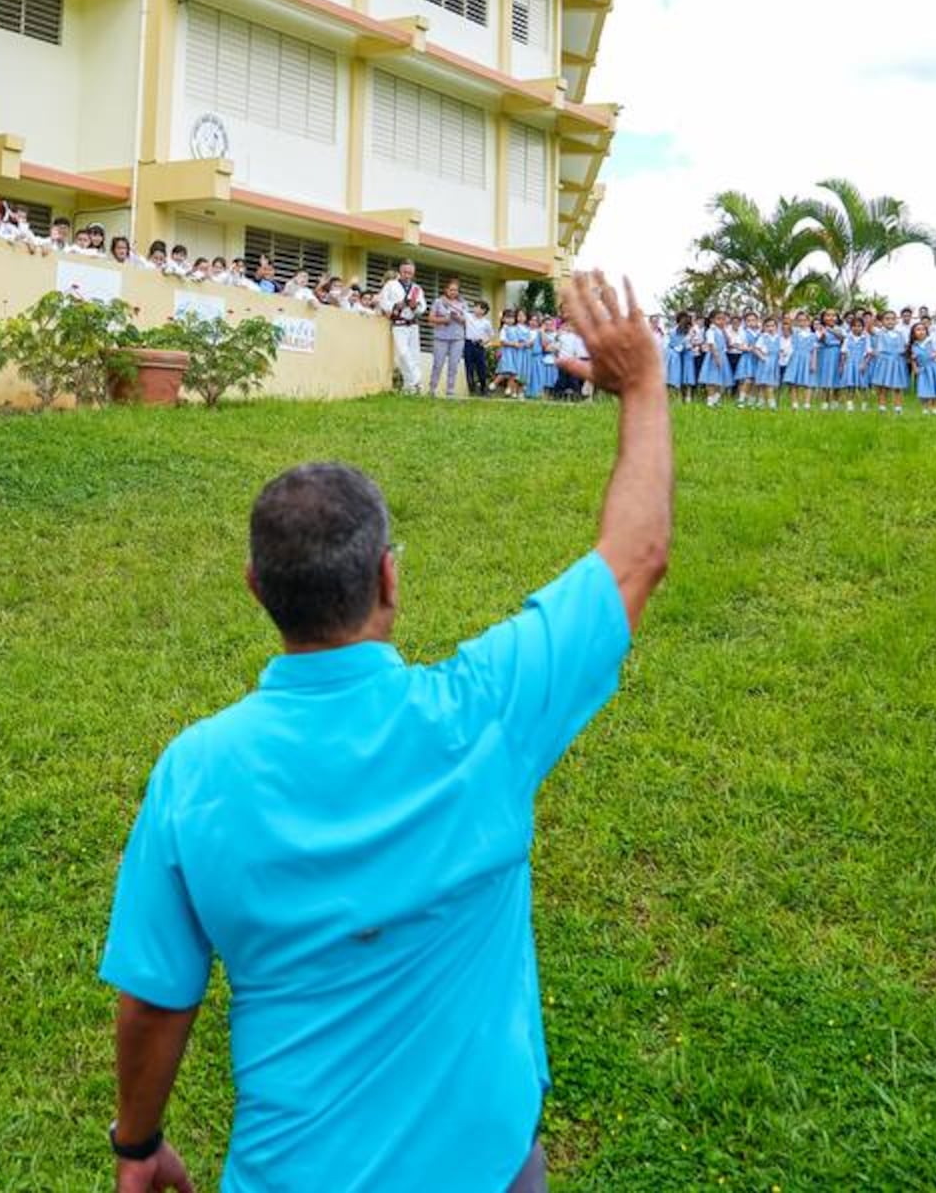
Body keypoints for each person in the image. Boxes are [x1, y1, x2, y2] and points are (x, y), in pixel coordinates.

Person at [99, 273, 668, 1193]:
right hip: (487, 1172)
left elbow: (157, 1002)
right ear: (390, 581)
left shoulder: (194, 771)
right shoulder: (485, 713)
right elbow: (636, 555)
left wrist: (138, 1145)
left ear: (256, 590)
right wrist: (642, 386)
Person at [376, 262, 427, 392]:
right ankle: (416, 379)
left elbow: (423, 307)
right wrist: (395, 305)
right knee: (403, 353)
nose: (407, 275)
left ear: (413, 273)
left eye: (410, 273)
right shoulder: (391, 285)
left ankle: (410, 387)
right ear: (400, 271)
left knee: (414, 355)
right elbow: (383, 301)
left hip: (413, 324)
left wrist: (415, 306)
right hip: (399, 324)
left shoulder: (417, 288)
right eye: (405, 272)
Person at [427, 279, 470, 398]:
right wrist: (444, 320)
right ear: (446, 290)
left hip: (457, 338)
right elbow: (430, 319)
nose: (453, 292)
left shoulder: (463, 303)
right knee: (438, 364)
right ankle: (432, 389)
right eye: (451, 290)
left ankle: (450, 391)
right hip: (441, 337)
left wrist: (457, 317)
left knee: (454, 365)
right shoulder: (438, 301)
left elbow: (467, 321)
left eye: (455, 290)